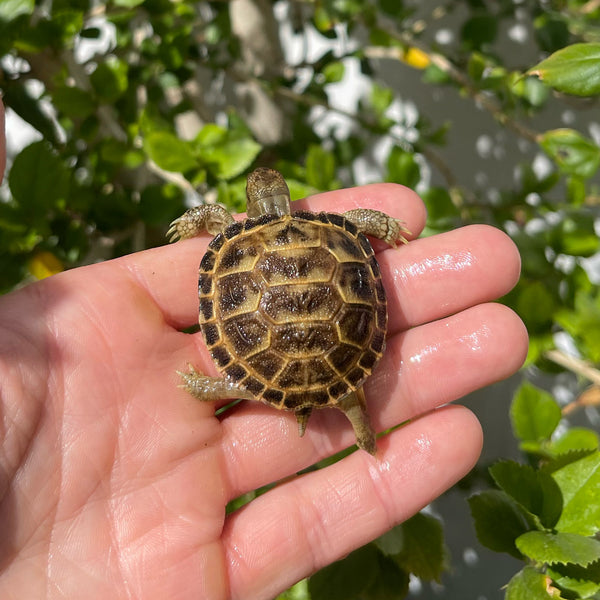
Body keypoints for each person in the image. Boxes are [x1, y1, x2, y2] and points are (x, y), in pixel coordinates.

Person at [0, 97, 527, 599]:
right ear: (285, 195)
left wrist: (198, 218)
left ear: (251, 204)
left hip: (262, 355)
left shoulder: (232, 234)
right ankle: (352, 410)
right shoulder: (334, 230)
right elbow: (363, 225)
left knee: (244, 381)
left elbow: (211, 220)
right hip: (340, 348)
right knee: (348, 389)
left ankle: (233, 387)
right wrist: (385, 225)